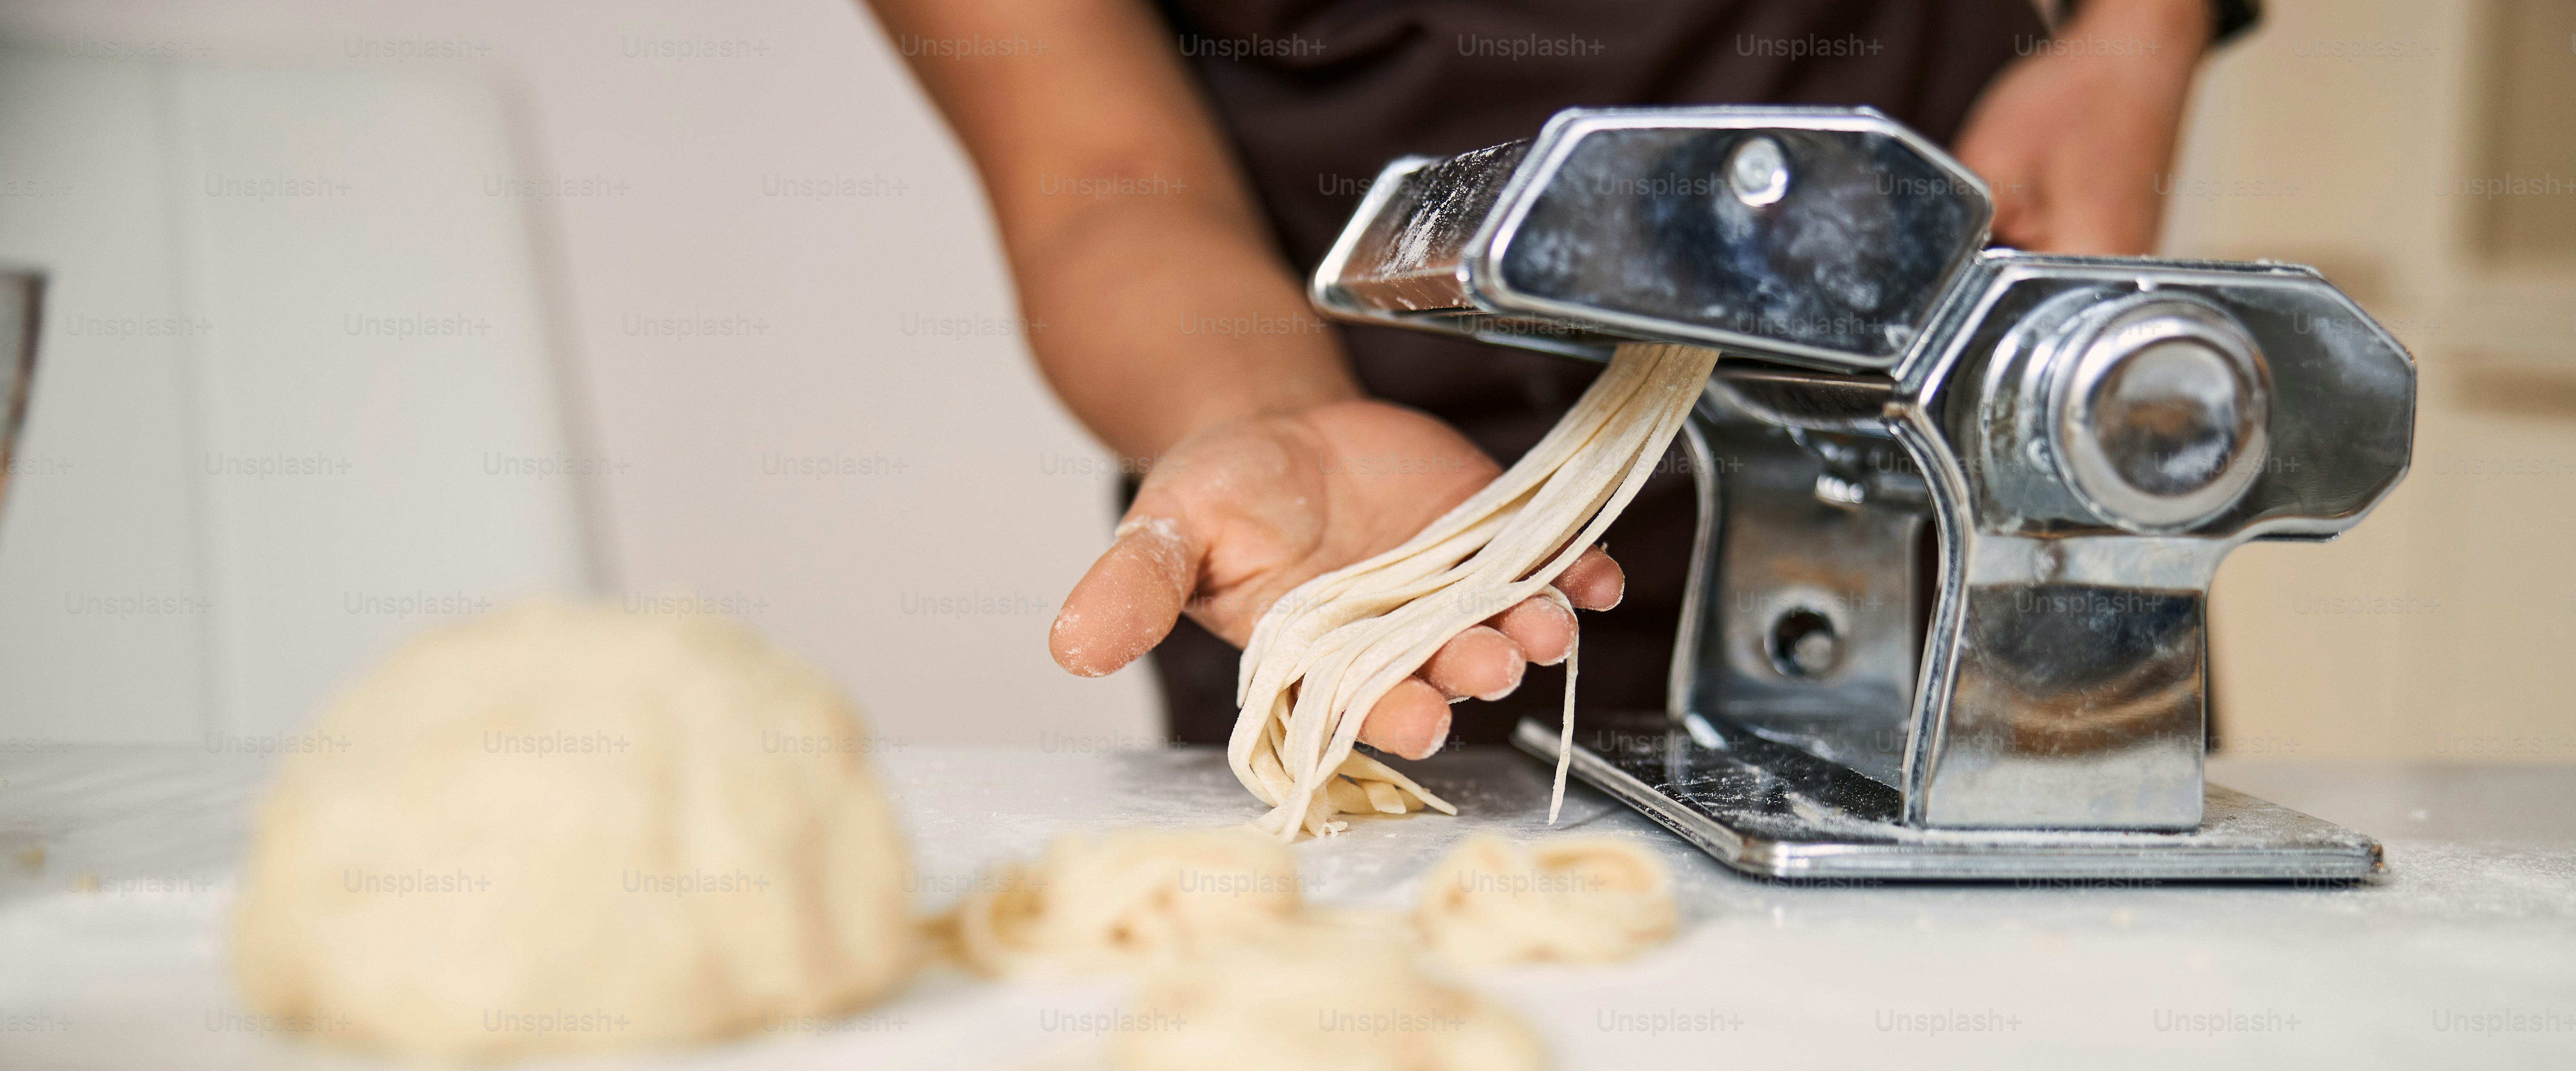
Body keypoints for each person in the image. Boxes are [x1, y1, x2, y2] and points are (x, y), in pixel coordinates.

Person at [868, 0, 2254, 758]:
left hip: (1956, 502)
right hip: (1398, 568)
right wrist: (1269, 419)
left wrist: (2133, 40)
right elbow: (1104, 179)